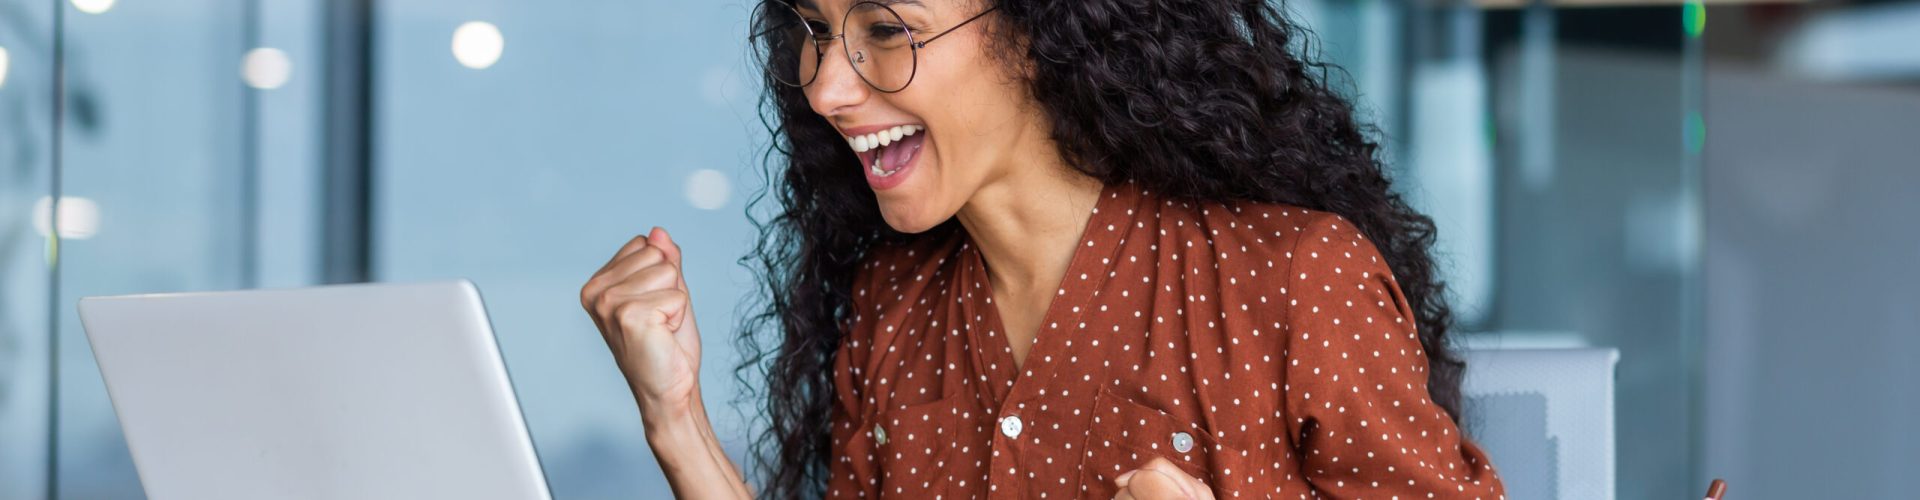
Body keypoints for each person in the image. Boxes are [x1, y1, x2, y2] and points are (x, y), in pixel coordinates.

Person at [580, 0, 1506, 498]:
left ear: (1034, 28)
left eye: (883, 31)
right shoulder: (895, 310)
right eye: (816, 32)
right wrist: (678, 424)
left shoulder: (1291, 278)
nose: (824, 86)